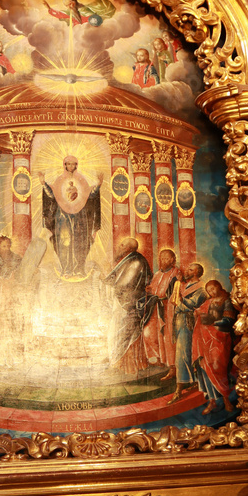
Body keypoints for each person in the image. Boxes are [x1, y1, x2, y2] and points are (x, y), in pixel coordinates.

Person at [39, 156, 102, 278]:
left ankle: (79, 269)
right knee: (64, 242)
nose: (71, 167)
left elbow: (90, 196)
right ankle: (66, 269)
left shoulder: (82, 180)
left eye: (73, 164)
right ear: (65, 165)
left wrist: (98, 185)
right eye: (68, 164)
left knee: (81, 241)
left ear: (76, 165)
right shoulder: (60, 180)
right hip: (63, 216)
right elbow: (52, 196)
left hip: (80, 216)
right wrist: (44, 183)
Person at [105, 237, 152, 374]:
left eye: (122, 245)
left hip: (128, 303)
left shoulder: (136, 261)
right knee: (117, 331)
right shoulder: (129, 259)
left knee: (120, 332)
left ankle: (119, 362)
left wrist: (108, 283)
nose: (119, 247)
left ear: (129, 248)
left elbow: (125, 283)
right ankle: (116, 360)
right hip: (123, 302)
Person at [192, 279, 236, 414]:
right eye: (209, 290)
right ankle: (212, 401)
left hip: (220, 338)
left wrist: (213, 321)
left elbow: (229, 320)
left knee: (218, 367)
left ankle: (226, 399)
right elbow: (199, 311)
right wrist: (198, 314)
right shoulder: (209, 301)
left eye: (213, 288)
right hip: (206, 338)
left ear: (219, 286)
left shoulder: (226, 300)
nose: (211, 292)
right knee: (205, 366)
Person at [169, 263, 206, 401]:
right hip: (179, 321)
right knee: (183, 353)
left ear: (197, 272)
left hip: (188, 322)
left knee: (182, 354)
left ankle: (179, 389)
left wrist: (179, 302)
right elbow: (175, 298)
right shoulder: (185, 285)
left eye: (190, 269)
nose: (187, 270)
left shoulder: (201, 288)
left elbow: (191, 304)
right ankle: (191, 381)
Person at [142, 247, 179, 375]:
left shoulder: (176, 273)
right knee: (148, 332)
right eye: (161, 258)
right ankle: (156, 358)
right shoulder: (157, 274)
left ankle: (171, 364)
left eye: (166, 258)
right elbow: (153, 288)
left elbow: (175, 291)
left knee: (167, 336)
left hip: (168, 308)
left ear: (172, 259)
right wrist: (149, 290)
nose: (163, 260)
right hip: (155, 307)